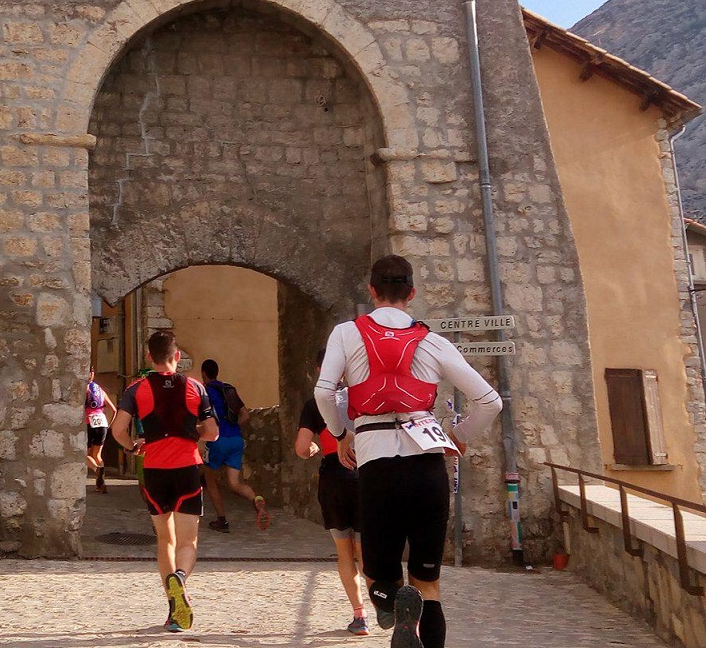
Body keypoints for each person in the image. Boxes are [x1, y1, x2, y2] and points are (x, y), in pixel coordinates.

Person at [316, 255, 503, 648]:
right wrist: (458, 435)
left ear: (372, 292)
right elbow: (490, 401)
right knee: (429, 582)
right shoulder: (433, 342)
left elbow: (323, 391)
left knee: (379, 575)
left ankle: (392, 604)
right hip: (427, 466)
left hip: (377, 466)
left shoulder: (347, 334)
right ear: (412, 293)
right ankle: (415, 614)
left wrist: (339, 434)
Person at [112, 331, 220, 633]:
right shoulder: (196, 387)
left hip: (154, 470)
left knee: (165, 540)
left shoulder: (137, 389)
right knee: (189, 542)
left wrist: (133, 446)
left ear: (149, 357)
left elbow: (118, 429)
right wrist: (191, 430)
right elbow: (212, 432)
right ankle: (181, 578)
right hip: (186, 468)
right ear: (177, 357)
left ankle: (174, 612)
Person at [296, 367, 369, 636]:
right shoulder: (364, 396)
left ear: (317, 371)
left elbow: (302, 448)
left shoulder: (314, 404)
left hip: (334, 480)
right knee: (366, 551)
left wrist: (314, 447)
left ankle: (359, 616)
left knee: (344, 551)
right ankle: (384, 605)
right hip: (365, 475)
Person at [199, 359, 272, 532]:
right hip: (236, 439)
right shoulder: (228, 389)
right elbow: (245, 415)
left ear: (203, 373)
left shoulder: (204, 392)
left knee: (210, 480)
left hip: (216, 440)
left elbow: (200, 419)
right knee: (235, 483)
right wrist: (233, 428)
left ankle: (222, 521)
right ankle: (256, 500)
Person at [83, 367, 116, 493]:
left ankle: (97, 470)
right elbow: (113, 409)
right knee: (97, 455)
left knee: (83, 455)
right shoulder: (100, 390)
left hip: (89, 423)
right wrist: (109, 425)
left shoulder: (84, 388)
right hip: (102, 423)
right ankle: (101, 485)